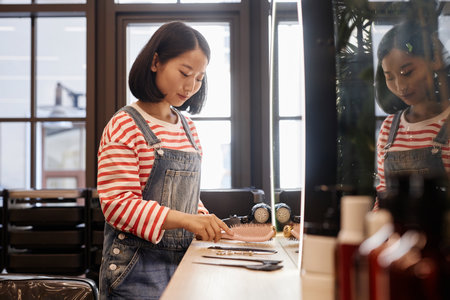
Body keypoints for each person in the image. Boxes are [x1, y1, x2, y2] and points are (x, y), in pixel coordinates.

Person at [97, 21, 233, 299]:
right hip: (134, 271)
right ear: (156, 62)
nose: (191, 86)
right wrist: (186, 220)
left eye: (199, 77)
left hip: (183, 264)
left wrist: (203, 219)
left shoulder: (188, 128)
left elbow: (184, 198)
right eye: (185, 72)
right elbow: (117, 205)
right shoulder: (125, 125)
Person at [375, 20, 450, 203]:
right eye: (389, 78)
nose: (400, 87)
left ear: (434, 60)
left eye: (406, 73)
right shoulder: (388, 129)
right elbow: (383, 198)